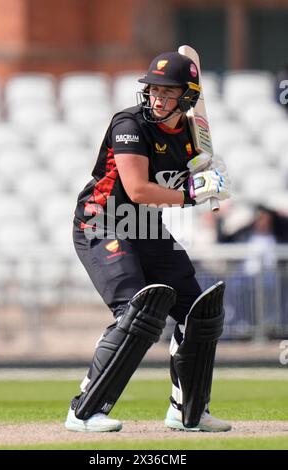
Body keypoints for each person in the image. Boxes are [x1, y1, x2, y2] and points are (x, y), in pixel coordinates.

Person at [65, 52, 231, 433]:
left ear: (187, 97)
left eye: (168, 92)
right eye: (153, 89)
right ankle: (85, 410)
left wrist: (213, 178)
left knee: (200, 313)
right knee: (137, 313)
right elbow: (138, 190)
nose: (157, 98)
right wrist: (193, 193)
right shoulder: (130, 123)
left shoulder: (191, 135)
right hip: (102, 223)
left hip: (146, 227)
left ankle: (188, 410)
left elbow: (197, 180)